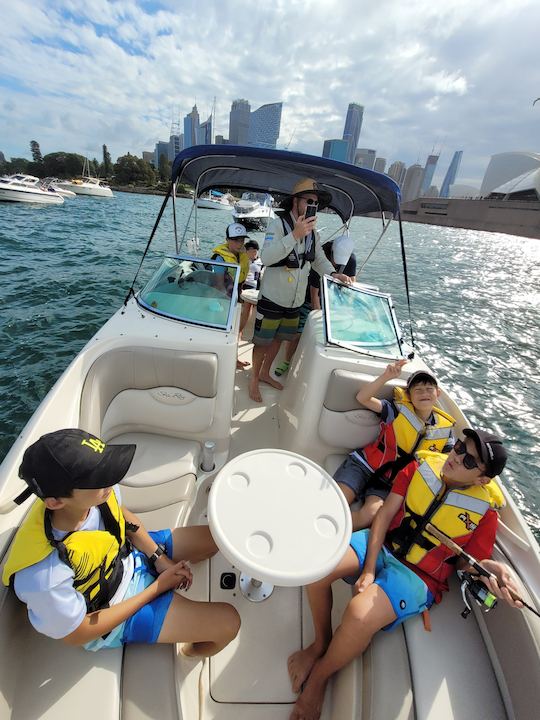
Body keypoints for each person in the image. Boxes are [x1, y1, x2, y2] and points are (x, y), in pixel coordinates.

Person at [287, 429, 522, 720]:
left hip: (420, 576)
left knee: (359, 615)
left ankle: (320, 678)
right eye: (460, 447)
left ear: (482, 480)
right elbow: (384, 516)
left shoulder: (485, 516)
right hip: (383, 544)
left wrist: (494, 569)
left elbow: (465, 564)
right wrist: (369, 568)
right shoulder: (418, 468)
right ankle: (320, 643)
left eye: (470, 461)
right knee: (319, 567)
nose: (457, 457)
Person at [3, 428, 240, 655]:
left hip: (125, 555)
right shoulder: (43, 577)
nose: (111, 480)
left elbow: (123, 518)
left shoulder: (93, 494)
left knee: (216, 538)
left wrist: (160, 559)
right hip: (113, 608)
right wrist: (159, 586)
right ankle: (189, 653)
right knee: (228, 623)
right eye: (99, 478)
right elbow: (79, 634)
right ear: (55, 502)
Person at [249, 178, 352, 403]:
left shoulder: (313, 233)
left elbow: (320, 260)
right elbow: (265, 257)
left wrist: (334, 274)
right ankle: (254, 379)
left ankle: (266, 373)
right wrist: (294, 235)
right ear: (296, 201)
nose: (313, 206)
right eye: (309, 201)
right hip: (273, 297)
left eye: (316, 203)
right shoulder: (278, 225)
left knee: (278, 339)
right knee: (262, 342)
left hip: (294, 302)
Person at [334, 360, 455, 530]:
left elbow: (448, 462)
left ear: (438, 393)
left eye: (429, 389)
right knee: (335, 501)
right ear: (409, 395)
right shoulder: (396, 410)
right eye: (418, 390)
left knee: (370, 515)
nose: (424, 393)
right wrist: (386, 376)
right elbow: (363, 398)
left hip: (390, 483)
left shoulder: (446, 430)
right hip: (364, 465)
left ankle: (333, 533)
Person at [274, 235, 357, 378]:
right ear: (330, 252)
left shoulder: (351, 260)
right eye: (335, 260)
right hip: (309, 297)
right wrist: (318, 319)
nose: (337, 264)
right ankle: (287, 361)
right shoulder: (318, 257)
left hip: (332, 299)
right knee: (298, 333)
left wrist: (344, 309)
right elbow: (314, 295)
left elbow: (352, 284)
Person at [212, 223, 251, 368]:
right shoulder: (220, 258)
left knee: (236, 331)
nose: (239, 243)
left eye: (242, 240)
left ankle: (234, 358)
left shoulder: (242, 256)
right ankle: (221, 360)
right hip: (223, 300)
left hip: (236, 297)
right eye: (235, 240)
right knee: (223, 333)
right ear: (227, 239)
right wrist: (224, 305)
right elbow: (218, 285)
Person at [239, 239, 263, 336]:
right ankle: (238, 328)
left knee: (249, 303)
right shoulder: (243, 259)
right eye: (251, 250)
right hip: (242, 284)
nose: (254, 252)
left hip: (253, 287)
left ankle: (240, 330)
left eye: (255, 250)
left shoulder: (261, 262)